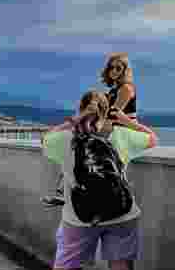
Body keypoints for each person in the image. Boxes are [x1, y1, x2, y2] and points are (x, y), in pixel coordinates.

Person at [20, 90, 158, 270]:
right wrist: (126, 122)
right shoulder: (119, 135)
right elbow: (152, 138)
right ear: (107, 111)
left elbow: (44, 140)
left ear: (81, 108)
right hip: (122, 215)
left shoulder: (66, 139)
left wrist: (72, 122)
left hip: (79, 219)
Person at [41, 53, 139, 206]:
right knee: (77, 146)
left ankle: (67, 192)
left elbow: (112, 115)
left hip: (123, 130)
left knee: (81, 146)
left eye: (118, 68)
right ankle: (65, 192)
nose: (114, 71)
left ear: (125, 70)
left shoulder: (126, 88)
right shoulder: (114, 90)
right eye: (111, 67)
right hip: (112, 129)